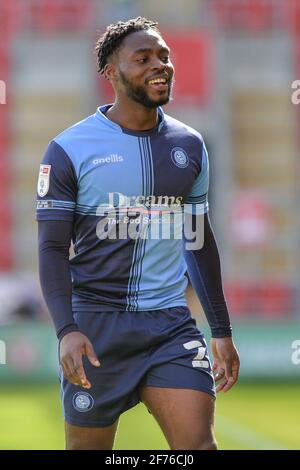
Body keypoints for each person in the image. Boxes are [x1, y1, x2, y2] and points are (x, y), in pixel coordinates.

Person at [37, 17, 240, 450]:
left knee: (198, 447)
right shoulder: (69, 149)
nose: (159, 65)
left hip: (170, 326)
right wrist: (66, 330)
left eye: (164, 56)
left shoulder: (189, 145)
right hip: (97, 328)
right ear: (111, 73)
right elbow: (52, 247)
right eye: (143, 58)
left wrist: (220, 329)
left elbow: (198, 239)